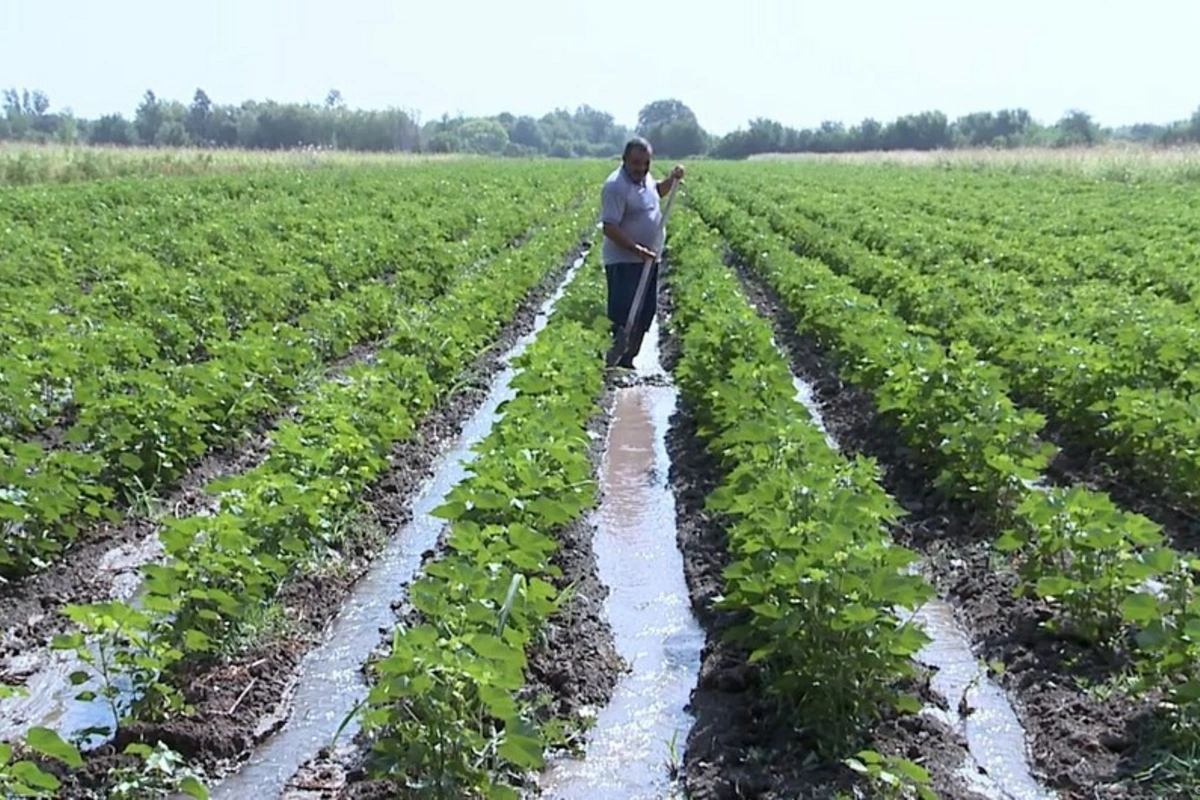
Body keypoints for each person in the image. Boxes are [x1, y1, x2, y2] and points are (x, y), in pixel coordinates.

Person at [600, 136, 685, 368]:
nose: (642, 168)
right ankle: (615, 362)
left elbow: (656, 192)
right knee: (624, 314)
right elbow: (609, 226)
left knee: (646, 311)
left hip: (648, 259)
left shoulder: (644, 179)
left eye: (646, 163)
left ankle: (629, 360)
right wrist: (636, 249)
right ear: (624, 159)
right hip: (624, 260)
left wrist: (672, 180)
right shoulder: (615, 187)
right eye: (637, 163)